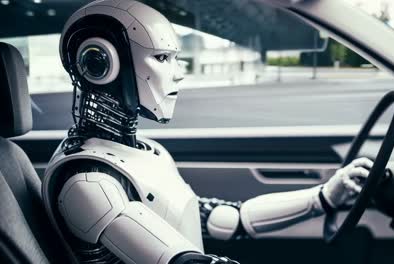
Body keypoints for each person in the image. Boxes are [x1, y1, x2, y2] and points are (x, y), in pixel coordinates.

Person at [42, 1, 373, 263]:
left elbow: (221, 219)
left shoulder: (141, 152)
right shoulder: (89, 183)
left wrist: (325, 197)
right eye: (162, 58)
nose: (178, 74)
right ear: (101, 64)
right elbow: (181, 260)